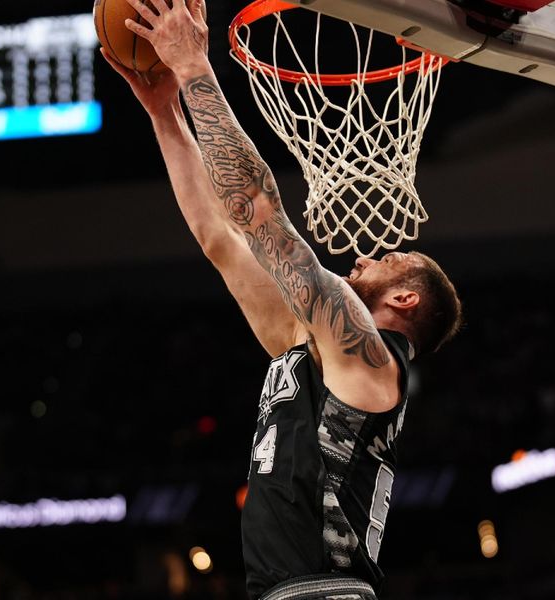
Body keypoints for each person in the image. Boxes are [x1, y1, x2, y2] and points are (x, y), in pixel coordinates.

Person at [102, 1, 462, 598]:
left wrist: (195, 66)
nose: (364, 258)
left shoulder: (366, 356)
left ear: (404, 299)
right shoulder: (310, 346)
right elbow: (220, 237)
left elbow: (257, 210)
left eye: (389, 260)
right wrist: (164, 109)